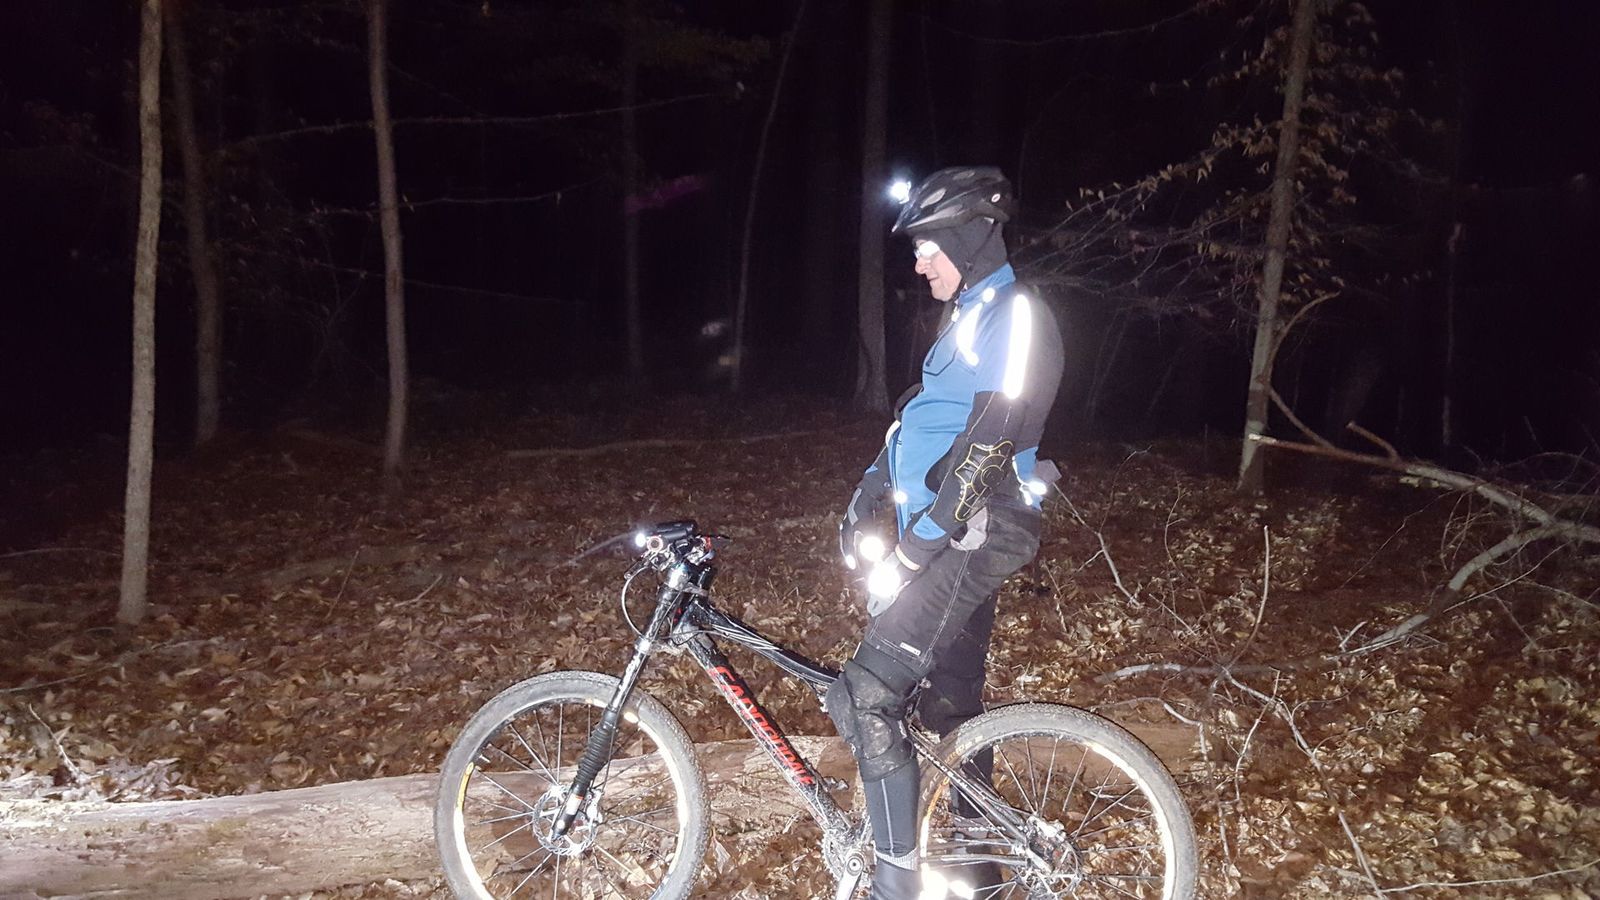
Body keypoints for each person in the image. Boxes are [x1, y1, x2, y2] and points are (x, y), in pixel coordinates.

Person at [829, 166, 1065, 900]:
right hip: (949, 530)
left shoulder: (1014, 313)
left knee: (866, 695)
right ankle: (976, 867)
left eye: (928, 247)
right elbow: (922, 415)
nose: (919, 263)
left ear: (968, 239)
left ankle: (894, 887)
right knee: (949, 700)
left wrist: (915, 550)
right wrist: (869, 490)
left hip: (976, 530)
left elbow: (993, 437)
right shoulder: (968, 315)